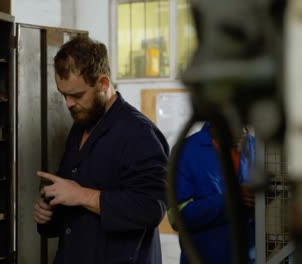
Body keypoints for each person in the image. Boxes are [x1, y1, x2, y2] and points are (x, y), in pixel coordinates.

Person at [32, 36, 170, 264]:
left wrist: (82, 194)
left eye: (76, 95)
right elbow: (71, 203)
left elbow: (151, 208)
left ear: (103, 84)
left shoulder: (139, 134)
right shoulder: (80, 126)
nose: (68, 104)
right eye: (63, 94)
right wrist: (48, 215)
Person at [170, 122, 256, 264]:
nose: (242, 130)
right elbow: (177, 218)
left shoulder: (257, 148)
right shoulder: (186, 151)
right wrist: (229, 199)